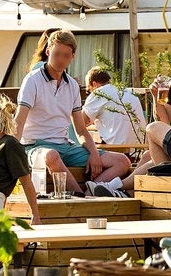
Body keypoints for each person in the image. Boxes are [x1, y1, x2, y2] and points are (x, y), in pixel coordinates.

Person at [15, 30, 132, 196]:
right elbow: (19, 121)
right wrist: (10, 155)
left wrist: (94, 154)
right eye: (56, 54)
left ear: (73, 56)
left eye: (65, 55)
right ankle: (83, 199)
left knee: (122, 161)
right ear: (48, 52)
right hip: (34, 146)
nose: (60, 60)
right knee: (52, 155)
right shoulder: (32, 80)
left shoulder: (72, 85)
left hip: (66, 146)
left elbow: (81, 129)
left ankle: (89, 194)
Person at [83, 66, 147, 148]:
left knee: (85, 147)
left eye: (89, 90)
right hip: (139, 145)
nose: (90, 93)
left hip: (116, 146)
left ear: (94, 84)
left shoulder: (99, 93)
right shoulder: (127, 91)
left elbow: (80, 121)